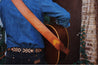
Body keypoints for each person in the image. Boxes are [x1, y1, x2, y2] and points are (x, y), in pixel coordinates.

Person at [0, 0, 70, 64]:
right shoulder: (38, 1)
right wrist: (58, 28)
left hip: (12, 56)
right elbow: (65, 15)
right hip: (34, 57)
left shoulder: (3, 3)